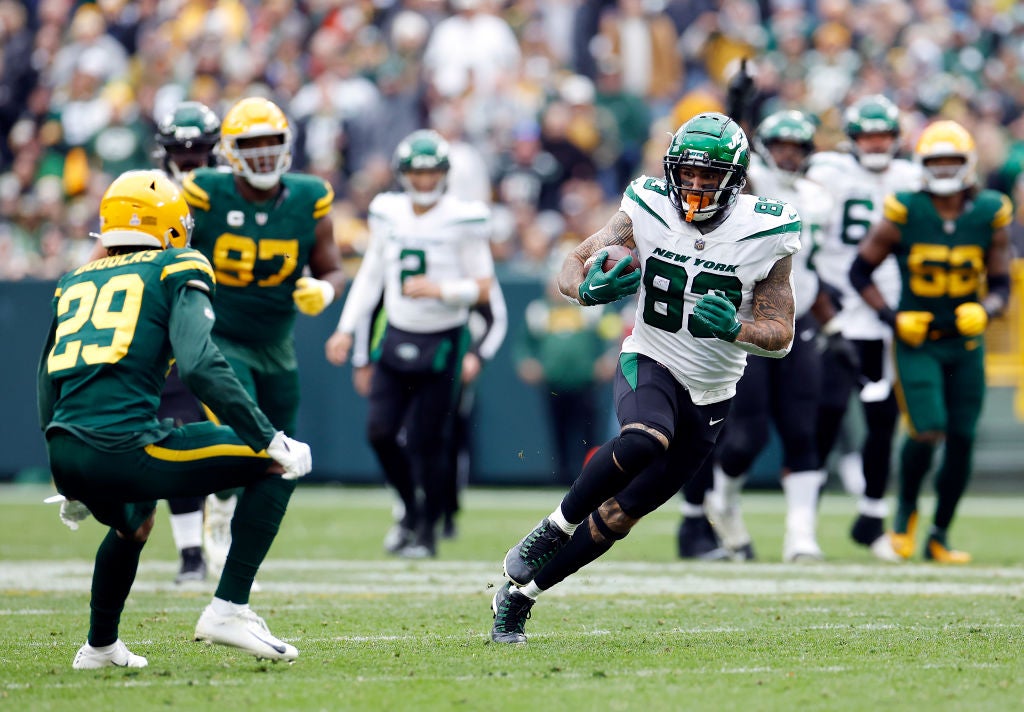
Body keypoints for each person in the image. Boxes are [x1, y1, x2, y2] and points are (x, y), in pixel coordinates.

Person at [490, 112, 801, 644]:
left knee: (619, 515)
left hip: (713, 391)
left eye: (710, 176)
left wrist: (739, 329)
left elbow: (782, 332)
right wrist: (583, 292)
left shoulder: (769, 229)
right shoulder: (647, 203)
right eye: (688, 173)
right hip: (650, 357)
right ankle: (553, 528)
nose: (695, 186)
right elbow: (574, 261)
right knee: (645, 437)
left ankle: (519, 599)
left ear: (736, 176)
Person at [39, 170, 313, 668]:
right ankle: (229, 609)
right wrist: (264, 435)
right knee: (283, 462)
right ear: (168, 226)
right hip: (127, 445)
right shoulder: (175, 265)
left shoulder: (74, 279)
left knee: (136, 523)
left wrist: (66, 474)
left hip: (66, 450)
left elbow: (47, 384)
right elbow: (200, 364)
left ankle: (100, 647)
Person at [181, 96, 346, 577]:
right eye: (252, 144)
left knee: (280, 455)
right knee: (247, 434)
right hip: (223, 336)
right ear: (229, 151)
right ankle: (222, 508)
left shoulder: (308, 197)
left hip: (277, 342)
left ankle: (242, 540)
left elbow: (332, 267)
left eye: (272, 141)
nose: (263, 153)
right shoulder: (205, 193)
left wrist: (325, 289)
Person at [325, 129, 495, 559]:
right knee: (380, 432)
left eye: (431, 172)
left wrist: (442, 291)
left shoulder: (464, 216)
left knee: (427, 440)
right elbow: (370, 276)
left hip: (444, 338)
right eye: (416, 173)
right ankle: (410, 509)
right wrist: (346, 328)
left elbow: (482, 287)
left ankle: (427, 529)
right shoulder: (387, 212)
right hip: (397, 332)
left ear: (444, 173)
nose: (423, 181)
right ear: (404, 174)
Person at [849, 120, 1012, 563]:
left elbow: (1000, 283)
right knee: (928, 429)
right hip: (918, 341)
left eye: (951, 160)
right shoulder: (905, 210)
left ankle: (939, 534)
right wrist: (893, 317)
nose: (943, 169)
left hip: (966, 343)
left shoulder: (988, 211)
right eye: (935, 160)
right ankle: (904, 519)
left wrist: (989, 309)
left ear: (968, 164)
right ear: (921, 164)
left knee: (962, 437)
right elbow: (858, 271)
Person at [698, 110, 851, 562]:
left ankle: (800, 537)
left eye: (796, 146)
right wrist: (739, 115)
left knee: (803, 432)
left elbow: (810, 270)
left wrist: (834, 325)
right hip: (745, 324)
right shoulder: (747, 183)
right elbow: (741, 180)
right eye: (779, 144)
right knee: (747, 437)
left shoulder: (816, 197)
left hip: (796, 322)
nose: (787, 153)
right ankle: (722, 505)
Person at [82, 100, 223, 583]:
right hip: (143, 325)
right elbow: (102, 250)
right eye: (182, 154)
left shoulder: (226, 192)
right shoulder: (145, 190)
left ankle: (197, 551)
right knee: (151, 431)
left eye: (199, 152)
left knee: (188, 433)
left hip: (195, 322)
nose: (189, 162)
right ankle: (180, 547)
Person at [805, 94, 920, 560]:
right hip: (833, 308)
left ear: (895, 139)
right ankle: (803, 521)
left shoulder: (912, 177)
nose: (876, 143)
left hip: (884, 314)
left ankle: (872, 516)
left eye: (883, 135)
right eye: (867, 135)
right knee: (827, 413)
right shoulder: (827, 173)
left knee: (882, 420)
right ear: (852, 139)